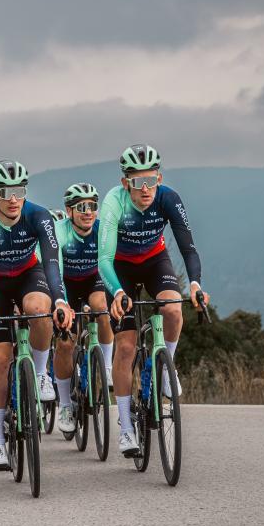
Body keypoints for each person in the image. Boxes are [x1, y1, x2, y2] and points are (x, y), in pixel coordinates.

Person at [97, 145, 210, 457]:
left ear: (159, 178)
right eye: (137, 183)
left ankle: (165, 370)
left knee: (173, 309)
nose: (145, 189)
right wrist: (118, 292)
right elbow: (103, 259)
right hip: (119, 267)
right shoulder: (112, 204)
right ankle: (124, 427)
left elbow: (188, 246)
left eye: (151, 181)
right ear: (125, 184)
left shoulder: (168, 197)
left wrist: (196, 284)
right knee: (126, 346)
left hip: (155, 259)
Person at [0, 160, 74, 469]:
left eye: (20, 190)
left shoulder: (39, 216)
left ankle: (40, 374)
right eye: (5, 192)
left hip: (30, 275)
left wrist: (61, 301)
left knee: (40, 310)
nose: (14, 198)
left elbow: (53, 263)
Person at [50, 183, 115, 432]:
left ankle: (106, 366)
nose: (88, 212)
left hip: (94, 280)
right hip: (66, 284)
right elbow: (56, 270)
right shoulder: (60, 232)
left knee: (102, 307)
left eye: (93, 206)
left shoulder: (103, 230)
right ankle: (65, 403)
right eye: (82, 207)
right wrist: (62, 303)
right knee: (66, 343)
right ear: (69, 211)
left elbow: (112, 263)